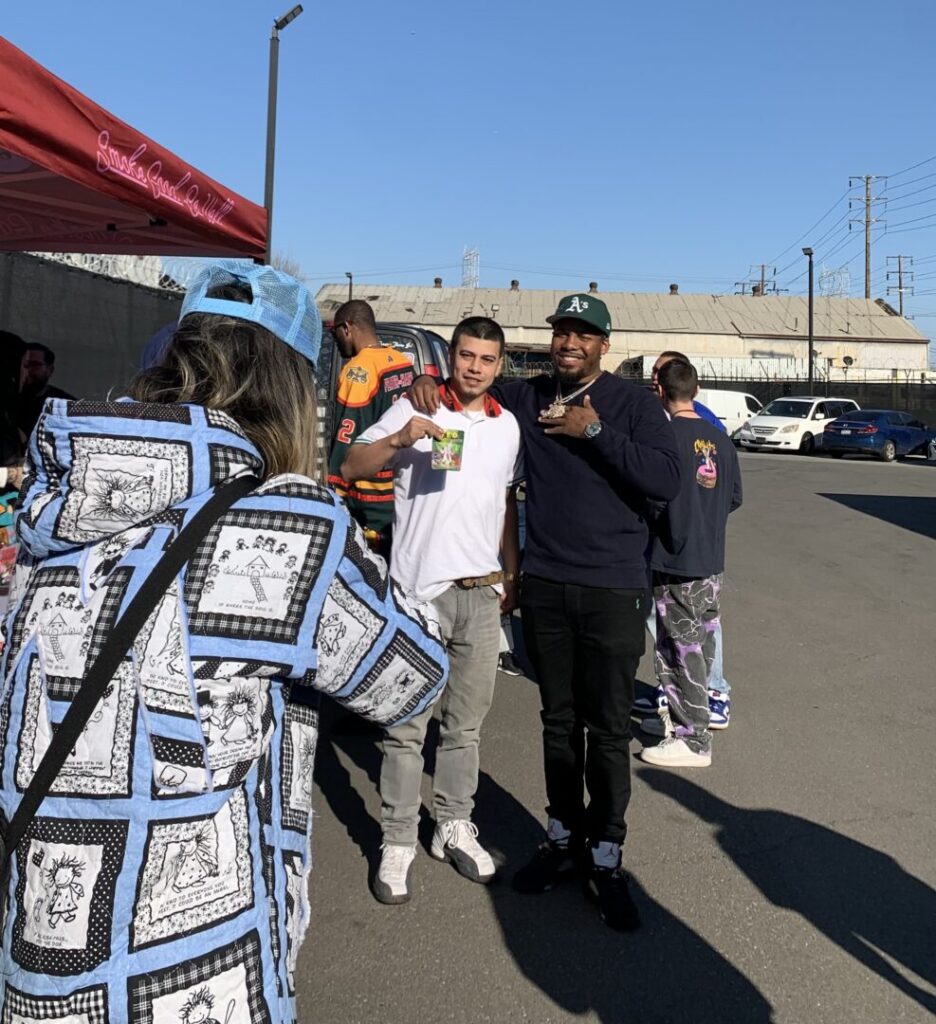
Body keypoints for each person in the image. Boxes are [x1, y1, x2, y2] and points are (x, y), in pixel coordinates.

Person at [0, 262, 447, 1021]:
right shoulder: (288, 522)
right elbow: (413, 673)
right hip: (192, 970)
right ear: (290, 385)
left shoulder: (59, 491)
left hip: (39, 959)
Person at [409, 294, 681, 931]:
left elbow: (665, 479)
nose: (570, 343)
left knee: (608, 727)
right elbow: (471, 384)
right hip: (547, 584)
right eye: (563, 332)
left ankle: (605, 854)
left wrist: (594, 431)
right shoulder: (528, 397)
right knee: (557, 720)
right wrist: (426, 381)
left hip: (614, 588)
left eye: (584, 335)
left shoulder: (634, 404)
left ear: (603, 346)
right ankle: (562, 838)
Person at [342, 316, 521, 904]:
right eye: (466, 356)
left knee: (465, 727)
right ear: (451, 358)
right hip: (420, 594)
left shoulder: (507, 427)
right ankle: (396, 838)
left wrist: (508, 574)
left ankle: (452, 822)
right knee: (404, 728)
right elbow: (352, 467)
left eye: (486, 359)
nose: (475, 367)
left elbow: (502, 505)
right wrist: (397, 440)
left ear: (499, 366)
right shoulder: (416, 408)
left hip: (481, 595)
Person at [639, 359, 742, 766]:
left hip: (674, 560)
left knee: (678, 648)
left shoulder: (665, 438)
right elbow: (734, 497)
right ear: (695, 391)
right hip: (710, 559)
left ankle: (693, 738)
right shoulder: (722, 440)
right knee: (701, 641)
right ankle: (684, 719)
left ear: (661, 391)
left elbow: (653, 498)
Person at [327, 300, 414, 556]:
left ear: (347, 328)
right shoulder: (401, 362)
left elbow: (347, 436)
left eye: (336, 333)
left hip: (368, 500)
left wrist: (334, 491)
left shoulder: (358, 371)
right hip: (398, 489)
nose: (336, 340)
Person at [17, 342, 74, 439]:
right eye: (25, 365)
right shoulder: (7, 401)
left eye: (35, 365)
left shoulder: (66, 405)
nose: (28, 370)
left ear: (50, 370)